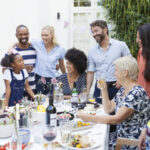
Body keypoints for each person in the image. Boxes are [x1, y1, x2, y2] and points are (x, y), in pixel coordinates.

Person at [77, 56, 150, 149]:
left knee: (91, 144)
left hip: (131, 142)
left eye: (116, 70)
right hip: (119, 136)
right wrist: (104, 89)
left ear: (125, 73)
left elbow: (116, 119)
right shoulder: (124, 89)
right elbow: (109, 109)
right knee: (87, 139)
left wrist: (88, 118)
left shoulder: (136, 93)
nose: (114, 74)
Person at [87, 20, 131, 103]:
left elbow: (130, 65)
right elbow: (90, 72)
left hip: (117, 86)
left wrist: (124, 81)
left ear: (105, 30)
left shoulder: (121, 45)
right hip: (99, 88)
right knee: (98, 112)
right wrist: (88, 91)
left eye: (96, 31)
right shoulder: (92, 51)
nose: (94, 34)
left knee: (117, 112)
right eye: (92, 32)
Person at [30, 25, 66, 95]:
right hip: (40, 79)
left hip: (54, 79)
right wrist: (11, 47)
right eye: (42, 35)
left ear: (52, 35)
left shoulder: (60, 49)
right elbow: (23, 43)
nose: (43, 37)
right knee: (41, 102)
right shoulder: (37, 43)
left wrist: (65, 78)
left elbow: (61, 65)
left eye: (46, 35)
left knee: (53, 102)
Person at [14, 25, 36, 99]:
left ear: (28, 34)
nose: (23, 36)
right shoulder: (13, 51)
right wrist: (21, 68)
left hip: (33, 91)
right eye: (20, 34)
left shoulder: (35, 50)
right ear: (16, 35)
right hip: (18, 92)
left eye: (25, 34)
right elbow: (5, 71)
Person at [136, 23, 150, 98]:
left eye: (140, 38)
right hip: (142, 97)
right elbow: (138, 75)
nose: (137, 40)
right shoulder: (141, 51)